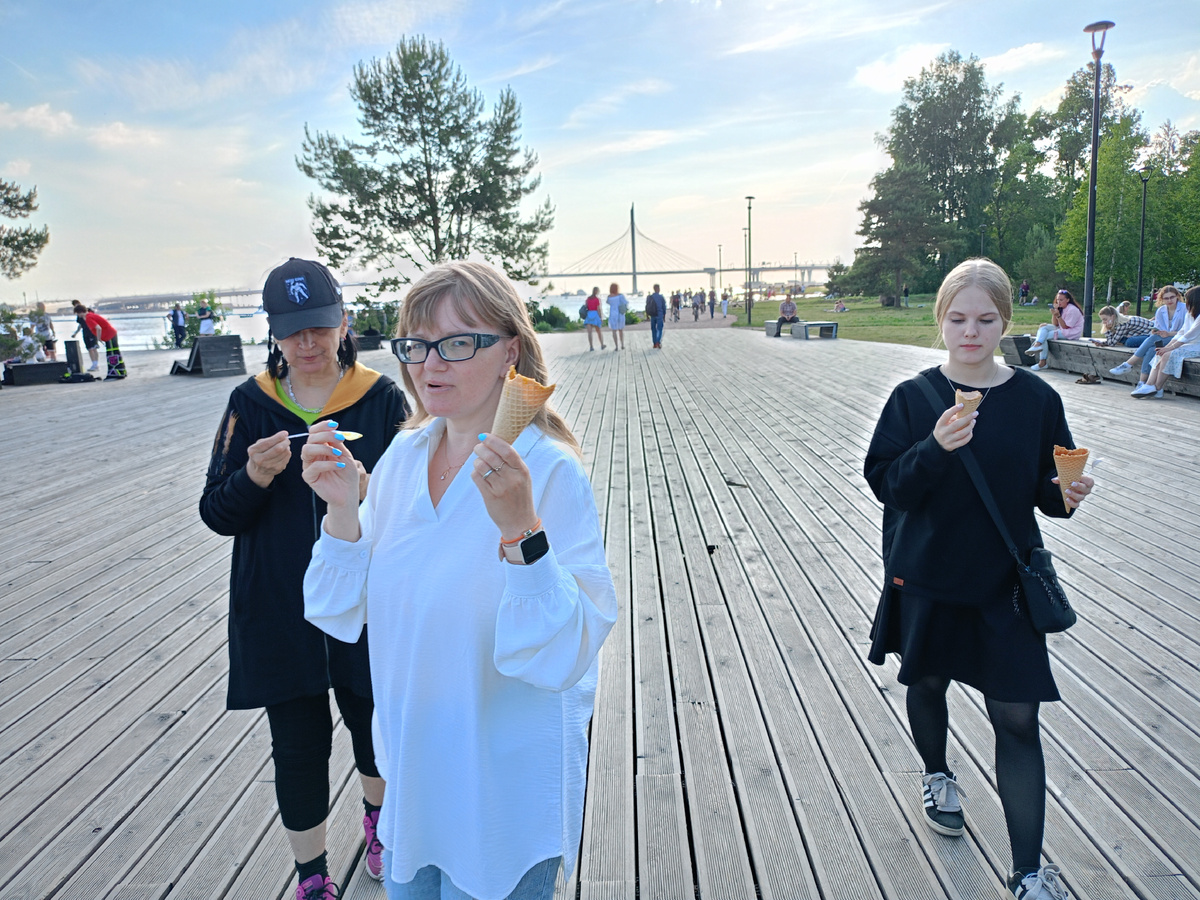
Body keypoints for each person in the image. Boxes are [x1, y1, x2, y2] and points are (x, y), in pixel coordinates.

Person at [301, 261, 617, 900]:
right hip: (414, 780)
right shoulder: (401, 458)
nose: (430, 364)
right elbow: (338, 608)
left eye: (458, 342)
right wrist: (340, 507)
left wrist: (520, 532)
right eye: (416, 346)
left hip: (503, 795)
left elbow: (566, 654)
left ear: (511, 351)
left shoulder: (547, 472)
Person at [865, 258, 1093, 900]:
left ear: (1004, 322)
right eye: (958, 318)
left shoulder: (1037, 400)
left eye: (986, 319)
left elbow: (1046, 494)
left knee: (1018, 721)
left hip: (1006, 587)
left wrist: (1067, 493)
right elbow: (888, 484)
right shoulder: (914, 399)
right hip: (929, 576)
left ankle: (1026, 873)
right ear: (941, 321)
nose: (971, 332)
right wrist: (935, 446)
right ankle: (936, 772)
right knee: (927, 681)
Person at [199, 258, 410, 900]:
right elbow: (216, 512)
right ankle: (311, 875)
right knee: (295, 745)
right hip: (278, 607)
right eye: (293, 332)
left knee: (375, 724)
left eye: (319, 327)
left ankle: (379, 826)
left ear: (343, 323)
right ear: (274, 333)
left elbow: (411, 511)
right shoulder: (250, 403)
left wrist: (367, 487)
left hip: (369, 604)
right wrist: (254, 477)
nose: (309, 344)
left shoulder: (380, 399)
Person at [1108, 285, 1188, 390]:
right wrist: (1156, 331)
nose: (1169, 300)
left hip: (1179, 340)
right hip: (1163, 339)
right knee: (1151, 349)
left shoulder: (1185, 309)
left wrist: (1168, 334)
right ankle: (1142, 382)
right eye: (1166, 298)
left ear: (1177, 296)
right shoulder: (1161, 311)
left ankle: (1128, 364)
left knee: (1151, 340)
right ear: (1162, 299)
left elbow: (1187, 332)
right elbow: (1159, 328)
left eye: (1172, 297)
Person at [1134, 286, 1200, 399]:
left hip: (1197, 346)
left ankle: (1157, 387)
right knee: (1161, 352)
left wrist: (1170, 348)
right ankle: (1150, 384)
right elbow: (1182, 332)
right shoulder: (1190, 314)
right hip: (1189, 344)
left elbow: (1189, 335)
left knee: (1169, 354)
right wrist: (1167, 347)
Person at [1024, 289, 1083, 370]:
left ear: (1068, 300)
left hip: (1071, 333)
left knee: (1044, 336)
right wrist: (1054, 314)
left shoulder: (1072, 310)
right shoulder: (1061, 308)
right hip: (1062, 329)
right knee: (1043, 327)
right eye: (1058, 299)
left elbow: (1066, 327)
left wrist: (1058, 315)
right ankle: (1037, 345)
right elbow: (1055, 324)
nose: (1059, 302)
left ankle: (1042, 361)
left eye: (1061, 300)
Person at [82, 306, 126, 379]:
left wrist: (99, 338)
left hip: (109, 335)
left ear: (80, 313)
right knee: (115, 352)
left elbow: (98, 328)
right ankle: (121, 371)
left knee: (111, 354)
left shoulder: (89, 318)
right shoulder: (91, 315)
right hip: (111, 334)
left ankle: (114, 373)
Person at [71, 302, 100, 372]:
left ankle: (96, 364)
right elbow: (81, 325)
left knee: (94, 348)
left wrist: (99, 336)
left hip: (92, 332)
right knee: (90, 349)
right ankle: (94, 363)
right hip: (85, 332)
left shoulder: (89, 312)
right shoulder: (80, 316)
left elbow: (97, 323)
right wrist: (75, 333)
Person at [583, 287, 605, 351]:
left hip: (589, 314)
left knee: (589, 332)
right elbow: (598, 309)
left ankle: (591, 347)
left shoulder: (588, 299)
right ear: (597, 291)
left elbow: (586, 306)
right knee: (598, 331)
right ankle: (602, 345)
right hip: (595, 315)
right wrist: (601, 317)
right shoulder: (597, 299)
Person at [606, 282, 626, 350]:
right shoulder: (620, 296)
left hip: (613, 314)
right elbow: (625, 302)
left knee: (614, 331)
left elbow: (608, 303)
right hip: (620, 314)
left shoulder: (609, 297)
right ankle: (622, 345)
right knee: (621, 330)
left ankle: (616, 346)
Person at [647, 284, 666, 349]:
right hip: (659, 314)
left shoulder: (650, 297)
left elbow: (647, 306)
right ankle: (658, 341)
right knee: (659, 328)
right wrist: (664, 316)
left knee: (653, 329)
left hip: (652, 315)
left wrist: (647, 315)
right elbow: (664, 307)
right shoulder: (661, 297)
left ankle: (654, 343)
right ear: (658, 289)